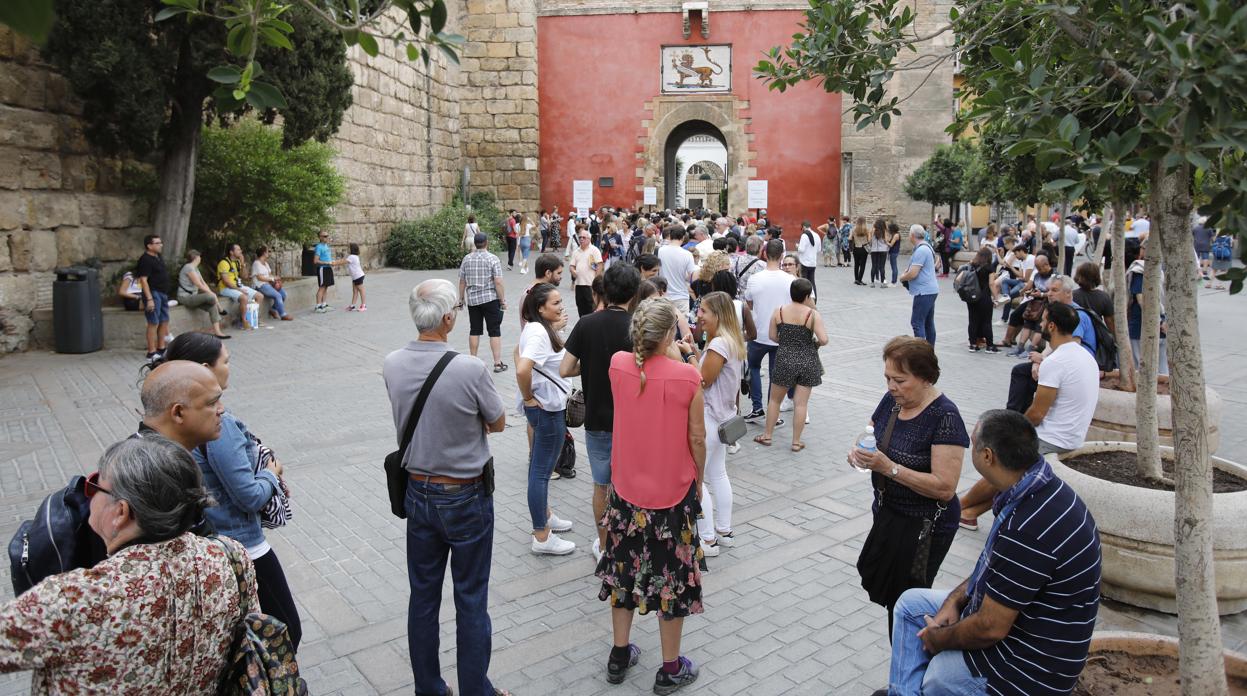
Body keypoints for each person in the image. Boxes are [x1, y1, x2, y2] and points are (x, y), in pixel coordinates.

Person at [0, 436, 253, 694]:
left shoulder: (72, 597)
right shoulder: (231, 557)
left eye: (95, 486)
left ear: (121, 512)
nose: (89, 496)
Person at [876, 410, 1101, 696]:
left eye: (973, 442)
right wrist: (954, 601)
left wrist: (939, 639)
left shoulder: (1029, 526)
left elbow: (990, 628)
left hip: (1031, 669)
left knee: (939, 676)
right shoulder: (1036, 486)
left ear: (988, 457)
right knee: (911, 605)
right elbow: (992, 567)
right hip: (1019, 620)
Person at [382, 279, 510, 696]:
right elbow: (497, 421)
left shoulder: (392, 362)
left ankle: (430, 688)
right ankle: (476, 690)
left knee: (423, 596)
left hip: (417, 492)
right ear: (449, 318)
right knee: (471, 597)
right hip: (466, 494)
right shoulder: (469, 368)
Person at [163, 333, 302, 650]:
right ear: (204, 369)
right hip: (241, 545)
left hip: (209, 543)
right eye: (225, 361)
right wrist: (271, 473)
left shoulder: (178, 420)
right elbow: (249, 495)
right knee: (285, 630)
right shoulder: (218, 425)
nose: (230, 366)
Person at [597, 297, 705, 693]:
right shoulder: (687, 377)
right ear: (671, 334)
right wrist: (700, 477)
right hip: (671, 493)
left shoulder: (617, 365)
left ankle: (620, 653)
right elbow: (697, 436)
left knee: (623, 568)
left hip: (625, 489)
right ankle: (670, 667)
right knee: (671, 578)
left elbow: (640, 371)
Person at [850, 337, 968, 640]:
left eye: (900, 380)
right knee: (887, 589)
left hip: (925, 527)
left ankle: (908, 670)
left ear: (926, 378)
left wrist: (888, 467)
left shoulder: (945, 418)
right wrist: (858, 454)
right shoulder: (892, 401)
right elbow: (869, 436)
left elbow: (945, 487)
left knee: (906, 603)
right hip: (889, 515)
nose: (891, 386)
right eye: (887, 378)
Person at [959, 302, 1101, 530]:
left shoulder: (1056, 362)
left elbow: (1037, 413)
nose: (1041, 323)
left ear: (1052, 326)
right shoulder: (1084, 356)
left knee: (1001, 461)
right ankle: (969, 513)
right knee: (1012, 473)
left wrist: (1011, 433)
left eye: (1044, 320)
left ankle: (957, 506)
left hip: (1053, 438)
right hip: (1073, 434)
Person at [561, 265, 640, 561]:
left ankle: (605, 546)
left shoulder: (586, 324)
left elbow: (565, 368)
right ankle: (630, 542)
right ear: (634, 293)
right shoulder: (638, 325)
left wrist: (591, 365)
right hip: (632, 420)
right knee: (630, 483)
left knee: (601, 485)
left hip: (597, 419)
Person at [668, 291, 745, 558]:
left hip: (709, 420)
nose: (698, 315)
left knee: (699, 479)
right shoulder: (731, 341)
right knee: (718, 474)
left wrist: (689, 354)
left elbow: (702, 380)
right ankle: (724, 531)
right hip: (723, 419)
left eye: (704, 311)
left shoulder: (719, 345)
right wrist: (697, 350)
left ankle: (708, 539)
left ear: (718, 315)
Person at [516, 283, 576, 556]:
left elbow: (517, 354)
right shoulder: (539, 332)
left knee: (539, 468)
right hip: (547, 410)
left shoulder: (536, 328)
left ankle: (546, 515)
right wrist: (528, 397)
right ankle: (541, 535)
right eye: (555, 303)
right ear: (540, 308)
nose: (561, 306)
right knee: (541, 472)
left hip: (547, 407)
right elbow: (521, 368)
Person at [755, 278, 828, 451]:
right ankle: (796, 442)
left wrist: (787, 341)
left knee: (774, 400)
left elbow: (772, 336)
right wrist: (814, 342)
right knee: (801, 404)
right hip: (807, 360)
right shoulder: (812, 314)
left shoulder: (778, 311)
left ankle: (767, 435)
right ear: (808, 296)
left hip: (784, 359)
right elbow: (824, 339)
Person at [742, 240, 794, 425]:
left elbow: (749, 304)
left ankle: (757, 408)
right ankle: (774, 413)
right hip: (781, 335)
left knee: (754, 368)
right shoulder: (790, 280)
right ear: (781, 256)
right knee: (775, 375)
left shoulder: (755, 278)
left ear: (764, 254)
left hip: (758, 333)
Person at [457, 232, 508, 372]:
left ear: (474, 243)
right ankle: (497, 364)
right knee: (494, 331)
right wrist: (502, 300)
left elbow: (462, 281)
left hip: (473, 300)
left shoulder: (466, 259)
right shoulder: (493, 259)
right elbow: (498, 282)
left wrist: (461, 299)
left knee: (474, 330)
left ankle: (473, 361)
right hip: (490, 299)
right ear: (487, 243)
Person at [898, 225, 940, 345]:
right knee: (928, 322)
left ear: (912, 236)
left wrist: (902, 277)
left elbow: (913, 273)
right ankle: (929, 350)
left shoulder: (921, 250)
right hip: (930, 290)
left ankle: (921, 352)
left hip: (924, 291)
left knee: (917, 322)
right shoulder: (927, 247)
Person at [176, 249, 231, 339]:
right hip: (185, 297)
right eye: (199, 256)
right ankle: (220, 309)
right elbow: (198, 284)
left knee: (212, 305)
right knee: (210, 296)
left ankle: (218, 332)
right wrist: (211, 294)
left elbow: (203, 283)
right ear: (196, 257)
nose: (200, 258)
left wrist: (211, 293)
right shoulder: (188, 267)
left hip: (193, 297)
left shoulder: (195, 269)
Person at [134, 234, 171, 361]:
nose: (161, 245)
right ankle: (151, 352)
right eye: (157, 243)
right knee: (153, 322)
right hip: (153, 293)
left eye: (161, 242)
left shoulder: (158, 257)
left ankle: (161, 348)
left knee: (164, 320)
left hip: (162, 293)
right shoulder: (145, 260)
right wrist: (149, 299)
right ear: (149, 246)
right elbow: (143, 280)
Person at [964, 248, 998, 353]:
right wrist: (996, 297)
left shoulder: (972, 265)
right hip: (984, 297)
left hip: (972, 297)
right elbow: (991, 284)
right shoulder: (989, 267)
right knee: (987, 322)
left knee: (973, 321)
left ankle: (973, 345)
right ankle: (990, 346)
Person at [657, 226, 697, 310]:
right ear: (683, 237)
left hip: (664, 295)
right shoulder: (687, 254)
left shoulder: (660, 251)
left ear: (670, 237)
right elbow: (692, 276)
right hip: (681, 296)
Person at [568, 228, 604, 317]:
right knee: (580, 307)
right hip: (579, 284)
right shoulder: (576, 251)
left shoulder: (594, 250)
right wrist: (573, 271)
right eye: (580, 237)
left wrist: (596, 281)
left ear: (589, 239)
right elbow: (571, 265)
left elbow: (600, 265)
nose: (581, 239)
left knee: (591, 308)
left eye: (584, 237)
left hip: (590, 285)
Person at [1073, 261, 1115, 335]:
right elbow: (1110, 322)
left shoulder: (1072, 295)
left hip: (1076, 333)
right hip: (1096, 335)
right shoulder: (1104, 297)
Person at [251, 245, 292, 320]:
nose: (269, 253)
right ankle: (283, 314)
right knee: (278, 296)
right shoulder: (256, 264)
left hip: (268, 284)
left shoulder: (265, 263)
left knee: (283, 294)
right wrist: (272, 279)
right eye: (268, 251)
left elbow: (269, 275)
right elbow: (259, 278)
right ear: (264, 253)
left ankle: (273, 310)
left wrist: (276, 280)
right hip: (260, 285)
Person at [313, 231, 344, 312]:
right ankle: (318, 306)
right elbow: (315, 261)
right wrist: (327, 263)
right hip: (322, 269)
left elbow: (326, 257)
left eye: (327, 236)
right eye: (324, 236)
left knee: (326, 286)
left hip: (328, 268)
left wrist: (331, 262)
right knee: (322, 287)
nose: (326, 237)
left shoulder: (326, 246)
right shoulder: (319, 247)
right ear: (320, 237)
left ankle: (324, 304)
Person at [796, 220, 821, 296]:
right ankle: (814, 298)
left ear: (803, 227)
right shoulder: (817, 235)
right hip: (813, 262)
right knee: (812, 282)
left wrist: (797, 246)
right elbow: (819, 250)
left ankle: (804, 297)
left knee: (803, 282)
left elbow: (801, 249)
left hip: (804, 262)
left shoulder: (804, 235)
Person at [869, 218, 890, 287]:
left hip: (874, 250)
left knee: (874, 266)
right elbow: (887, 241)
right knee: (882, 267)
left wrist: (872, 227)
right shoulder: (884, 231)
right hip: (883, 250)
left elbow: (869, 240)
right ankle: (882, 283)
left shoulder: (872, 231)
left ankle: (872, 283)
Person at [852, 215, 871, 285]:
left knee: (856, 264)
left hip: (856, 248)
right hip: (863, 248)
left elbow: (850, 238)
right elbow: (869, 240)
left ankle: (856, 279)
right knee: (862, 265)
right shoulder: (866, 230)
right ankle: (860, 280)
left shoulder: (854, 229)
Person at [887, 222, 902, 286]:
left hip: (894, 252)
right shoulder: (895, 234)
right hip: (894, 252)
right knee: (893, 266)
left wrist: (885, 242)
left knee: (894, 267)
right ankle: (894, 281)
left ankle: (894, 282)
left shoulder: (896, 235)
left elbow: (891, 245)